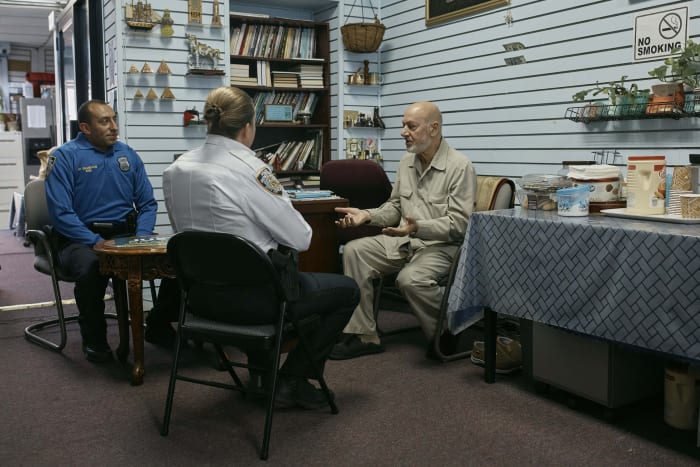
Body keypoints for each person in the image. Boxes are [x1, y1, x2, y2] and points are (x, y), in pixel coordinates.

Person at [161, 86, 359, 410]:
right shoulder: (250, 169)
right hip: (256, 302)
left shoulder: (176, 170)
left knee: (248, 266)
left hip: (199, 302)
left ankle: (261, 376)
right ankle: (293, 379)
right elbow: (301, 238)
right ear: (248, 126)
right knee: (346, 291)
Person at [329, 101, 476, 361]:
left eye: (411, 126)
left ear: (433, 128)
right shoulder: (407, 161)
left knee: (409, 280)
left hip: (440, 247)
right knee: (354, 251)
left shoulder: (460, 166)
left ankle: (445, 332)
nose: (403, 132)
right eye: (403, 126)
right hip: (404, 240)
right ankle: (365, 335)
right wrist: (367, 216)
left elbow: (459, 225)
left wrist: (419, 227)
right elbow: (395, 206)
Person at [44, 99, 158, 363]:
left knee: (175, 258)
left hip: (125, 235)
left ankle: (159, 326)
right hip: (79, 238)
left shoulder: (127, 154)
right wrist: (97, 242)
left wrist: (140, 236)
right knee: (92, 268)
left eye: (114, 119)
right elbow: (61, 214)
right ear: (85, 127)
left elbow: (147, 204)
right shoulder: (63, 157)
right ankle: (95, 341)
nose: (114, 127)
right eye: (104, 121)